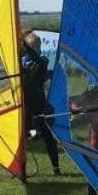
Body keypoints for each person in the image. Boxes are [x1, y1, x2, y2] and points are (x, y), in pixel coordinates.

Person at [21, 31, 61, 176]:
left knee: (47, 135)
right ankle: (21, 171)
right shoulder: (20, 61)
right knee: (22, 137)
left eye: (39, 45)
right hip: (24, 102)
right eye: (34, 45)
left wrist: (24, 43)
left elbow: (36, 58)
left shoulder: (43, 60)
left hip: (39, 102)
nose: (38, 48)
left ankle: (56, 168)